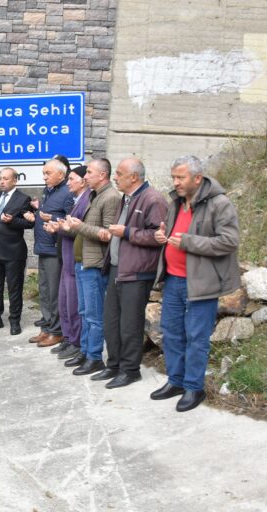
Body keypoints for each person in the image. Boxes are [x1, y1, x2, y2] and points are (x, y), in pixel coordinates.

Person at [153, 155, 239, 412]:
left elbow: (229, 241)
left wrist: (189, 242)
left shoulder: (220, 203)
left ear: (198, 178)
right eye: (173, 177)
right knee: (171, 333)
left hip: (201, 282)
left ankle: (194, 387)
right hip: (173, 279)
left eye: (181, 177)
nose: (175, 182)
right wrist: (162, 235)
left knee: (196, 337)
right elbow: (173, 234)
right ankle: (176, 381)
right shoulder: (176, 202)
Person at [97, 158, 168, 388]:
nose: (115, 177)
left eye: (119, 173)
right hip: (117, 269)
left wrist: (127, 232)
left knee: (130, 325)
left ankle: (130, 370)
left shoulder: (153, 199)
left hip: (137, 273)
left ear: (134, 177)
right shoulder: (126, 198)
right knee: (111, 321)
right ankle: (114, 365)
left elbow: (159, 236)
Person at [65, 159, 121, 373]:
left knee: (94, 315)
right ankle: (85, 351)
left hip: (95, 264)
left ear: (103, 174)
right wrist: (72, 227)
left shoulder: (111, 197)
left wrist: (80, 226)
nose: (86, 176)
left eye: (89, 172)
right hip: (83, 262)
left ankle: (94, 357)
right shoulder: (95, 195)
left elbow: (108, 234)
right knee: (84, 311)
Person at [0, 168, 34, 335]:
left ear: (14, 181)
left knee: (14, 288)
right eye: (0, 178)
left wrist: (13, 221)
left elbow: (30, 223)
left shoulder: (23, 199)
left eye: (5, 179)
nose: (1, 182)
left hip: (13, 252)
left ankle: (15, 321)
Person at [25, 159, 74, 347]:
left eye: (48, 173)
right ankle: (46, 328)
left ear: (61, 174)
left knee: (54, 293)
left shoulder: (67, 193)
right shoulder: (49, 191)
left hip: (55, 250)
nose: (44, 177)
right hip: (43, 248)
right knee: (44, 292)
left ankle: (56, 331)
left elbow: (71, 220)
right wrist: (36, 215)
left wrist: (52, 217)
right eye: (44, 173)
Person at [44, 165, 90, 359]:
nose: (68, 183)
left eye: (72, 179)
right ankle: (68, 337)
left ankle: (76, 341)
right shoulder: (77, 200)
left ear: (83, 181)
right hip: (66, 257)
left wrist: (61, 227)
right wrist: (59, 226)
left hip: (74, 257)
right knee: (64, 301)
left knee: (73, 304)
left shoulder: (87, 200)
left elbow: (80, 229)